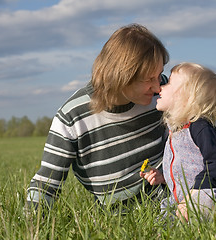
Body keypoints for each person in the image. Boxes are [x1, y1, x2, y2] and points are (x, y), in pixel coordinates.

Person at [26, 23, 170, 210]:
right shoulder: (73, 116)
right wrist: (31, 226)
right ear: (121, 76)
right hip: (117, 215)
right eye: (149, 79)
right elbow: (47, 183)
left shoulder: (165, 92)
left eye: (159, 75)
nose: (158, 86)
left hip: (172, 197)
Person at [140, 62, 216, 222]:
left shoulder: (201, 127)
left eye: (169, 83)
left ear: (186, 97)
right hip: (180, 202)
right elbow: (188, 169)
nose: (161, 87)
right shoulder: (176, 131)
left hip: (207, 195)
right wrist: (163, 177)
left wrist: (194, 195)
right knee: (163, 221)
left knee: (205, 203)